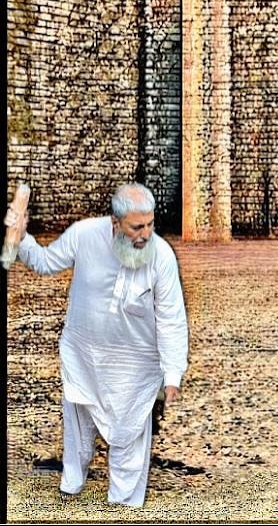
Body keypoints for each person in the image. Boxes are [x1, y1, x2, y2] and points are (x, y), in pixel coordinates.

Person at [5, 182, 188, 507]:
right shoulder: (84, 235)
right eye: (136, 227)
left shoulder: (161, 256)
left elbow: (172, 317)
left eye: (149, 224)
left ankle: (124, 502)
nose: (145, 234)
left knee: (129, 435)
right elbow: (47, 262)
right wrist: (20, 238)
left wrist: (172, 372)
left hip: (134, 367)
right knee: (78, 430)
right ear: (115, 223)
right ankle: (71, 484)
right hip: (83, 357)